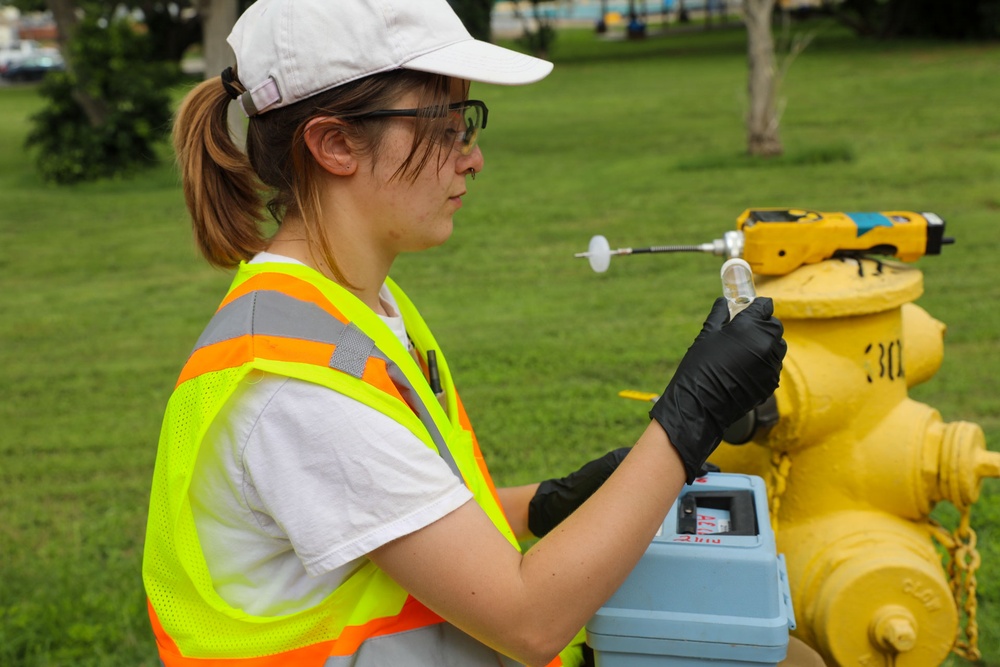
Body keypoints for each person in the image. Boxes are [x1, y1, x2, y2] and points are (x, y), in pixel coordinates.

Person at [141, 0, 786, 665]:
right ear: (334, 144)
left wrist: (548, 502)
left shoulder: (354, 307)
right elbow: (530, 620)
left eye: (467, 123)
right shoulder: (293, 389)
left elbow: (401, 520)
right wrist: (689, 415)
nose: (472, 160)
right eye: (447, 127)